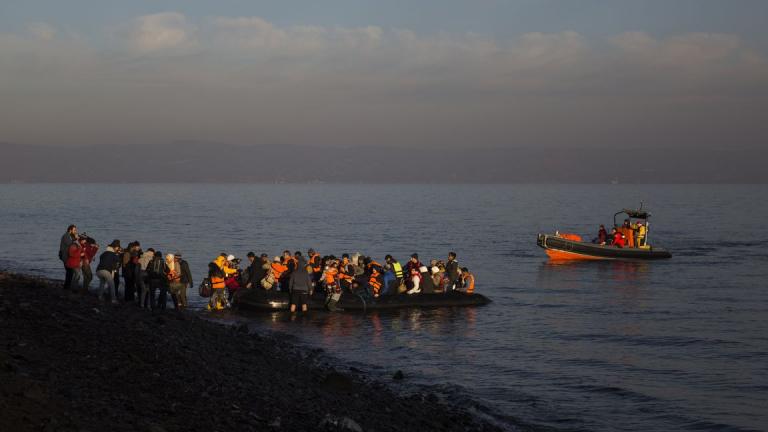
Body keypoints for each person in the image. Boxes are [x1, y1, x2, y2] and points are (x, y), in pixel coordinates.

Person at [59, 225, 78, 291]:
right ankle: (66, 287)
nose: (75, 231)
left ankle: (67, 287)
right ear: (70, 230)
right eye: (74, 230)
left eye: (75, 230)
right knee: (70, 272)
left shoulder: (69, 236)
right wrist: (75, 239)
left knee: (69, 272)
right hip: (65, 256)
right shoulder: (66, 236)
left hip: (67, 256)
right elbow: (70, 244)